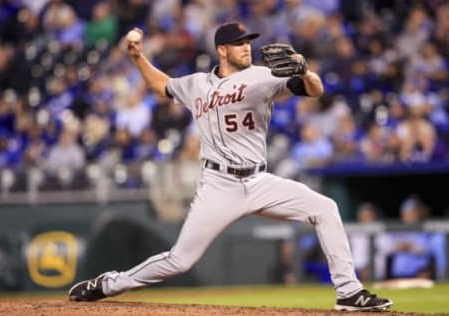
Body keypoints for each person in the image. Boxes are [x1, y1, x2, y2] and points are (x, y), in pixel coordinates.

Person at [68, 22, 392, 311]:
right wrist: (138, 58)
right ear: (222, 50)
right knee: (180, 260)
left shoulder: (264, 76)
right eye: (239, 43)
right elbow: (161, 86)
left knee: (324, 207)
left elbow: (314, 91)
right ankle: (110, 284)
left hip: (259, 181)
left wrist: (305, 72)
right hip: (218, 184)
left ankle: (348, 291)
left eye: (248, 41)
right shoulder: (196, 84)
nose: (247, 46)